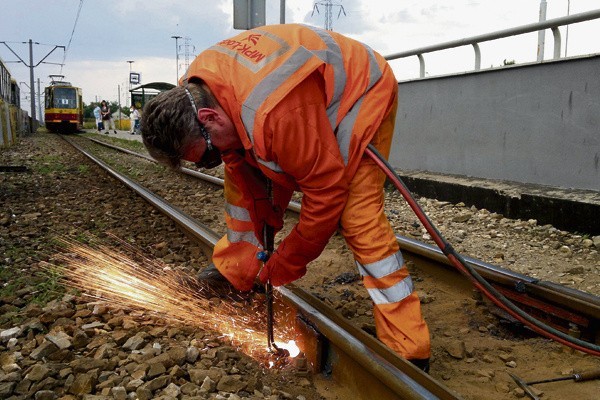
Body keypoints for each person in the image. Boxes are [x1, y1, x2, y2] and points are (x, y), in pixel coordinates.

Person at [141, 24, 431, 370]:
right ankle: (236, 274)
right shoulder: (195, 89)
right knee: (242, 190)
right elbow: (250, 183)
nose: (210, 163)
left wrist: (287, 262)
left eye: (205, 156)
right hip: (288, 106)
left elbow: (325, 195)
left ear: (209, 117)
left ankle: (408, 347)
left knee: (356, 214)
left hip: (358, 93)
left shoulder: (276, 114)